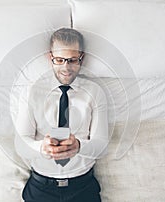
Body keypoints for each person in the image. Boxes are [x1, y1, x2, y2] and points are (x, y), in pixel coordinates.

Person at [14, 28, 109, 202]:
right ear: (51, 58)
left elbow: (101, 145)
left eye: (73, 60)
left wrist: (79, 146)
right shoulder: (32, 91)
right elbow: (21, 143)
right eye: (59, 60)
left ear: (82, 58)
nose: (66, 67)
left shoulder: (94, 92)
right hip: (41, 187)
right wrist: (41, 147)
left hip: (83, 187)